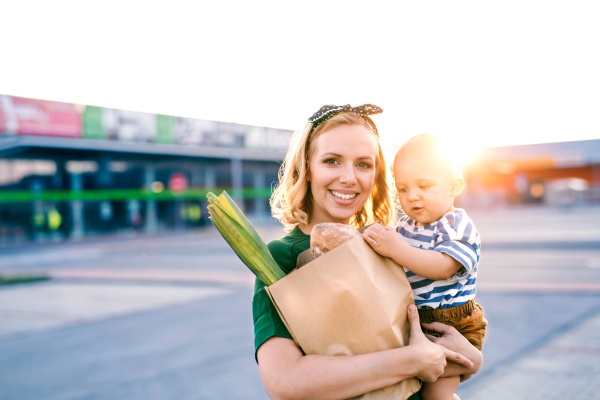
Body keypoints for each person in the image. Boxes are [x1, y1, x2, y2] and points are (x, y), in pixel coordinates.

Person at [252, 105, 483, 400]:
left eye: (363, 164)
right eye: (332, 161)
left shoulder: (384, 243)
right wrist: (411, 362)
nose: (349, 177)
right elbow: (285, 382)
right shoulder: (282, 256)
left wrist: (473, 360)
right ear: (306, 168)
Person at [362, 133, 488, 400]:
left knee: (436, 395)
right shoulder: (406, 225)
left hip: (453, 321)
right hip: (418, 318)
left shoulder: (457, 225)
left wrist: (396, 248)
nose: (413, 197)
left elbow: (443, 266)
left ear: (454, 187)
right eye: (403, 189)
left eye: (424, 186)